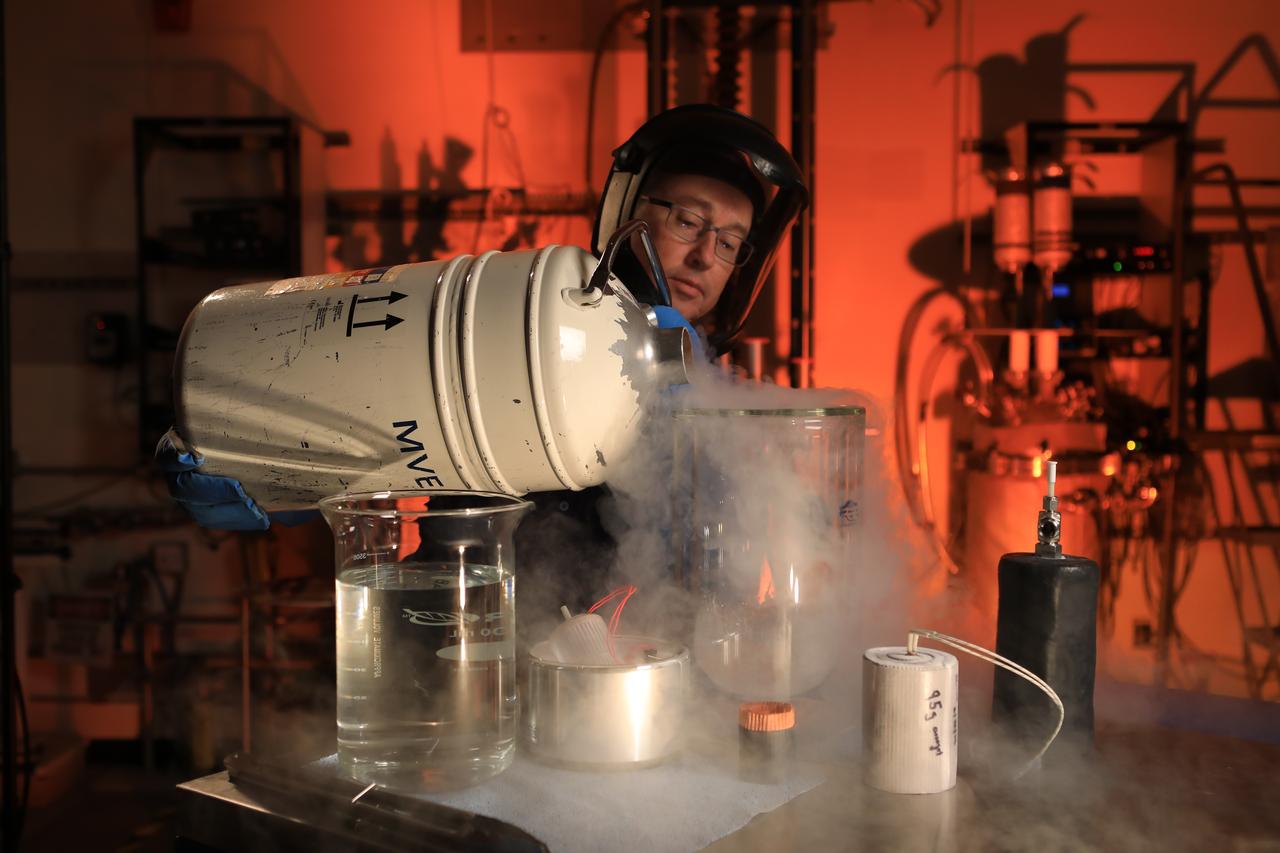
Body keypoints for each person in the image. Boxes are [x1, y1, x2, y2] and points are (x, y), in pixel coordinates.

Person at [157, 104, 807, 533]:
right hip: (467, 633)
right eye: (688, 220)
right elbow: (380, 399)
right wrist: (262, 475)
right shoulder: (515, 317)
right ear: (630, 213)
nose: (704, 255)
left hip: (639, 690)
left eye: (728, 243)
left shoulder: (729, 400)